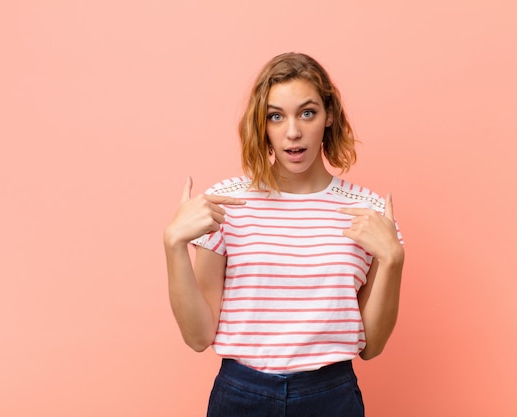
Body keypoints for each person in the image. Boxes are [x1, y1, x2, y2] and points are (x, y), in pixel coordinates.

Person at [164, 52, 405, 417]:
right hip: (241, 395)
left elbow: (371, 347)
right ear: (262, 125)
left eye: (307, 112)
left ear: (329, 116)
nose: (293, 132)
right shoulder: (226, 203)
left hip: (331, 396)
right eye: (276, 116)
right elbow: (198, 337)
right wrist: (174, 245)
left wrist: (393, 260)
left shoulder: (368, 211)